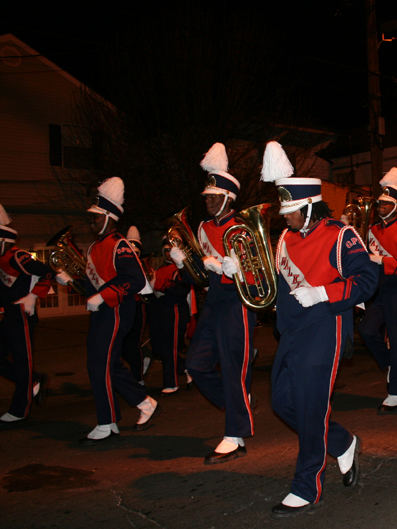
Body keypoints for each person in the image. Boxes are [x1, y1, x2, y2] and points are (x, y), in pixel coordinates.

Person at [261, 141, 378, 517]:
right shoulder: (285, 238)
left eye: (291, 211)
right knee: (282, 402)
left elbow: (367, 280)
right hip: (292, 331)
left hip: (325, 329)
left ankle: (307, 486)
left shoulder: (341, 235)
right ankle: (342, 441)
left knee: (311, 410)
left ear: (310, 206)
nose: (286, 218)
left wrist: (324, 293)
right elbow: (276, 284)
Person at [55, 177, 159, 443]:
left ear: (109, 217)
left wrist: (104, 296)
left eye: (95, 218)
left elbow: (136, 280)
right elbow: (92, 285)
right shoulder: (95, 248)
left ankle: (107, 421)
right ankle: (142, 403)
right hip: (104, 311)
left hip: (117, 310)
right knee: (102, 364)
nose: (91, 223)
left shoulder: (119, 245)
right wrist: (72, 280)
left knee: (101, 363)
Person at [172, 142, 257, 464]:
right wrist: (184, 263)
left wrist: (236, 270)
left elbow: (261, 277)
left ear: (228, 198)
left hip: (238, 303)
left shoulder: (244, 226)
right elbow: (196, 276)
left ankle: (234, 436)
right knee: (195, 363)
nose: (207, 200)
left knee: (234, 369)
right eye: (206, 195)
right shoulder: (203, 227)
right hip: (213, 303)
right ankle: (239, 404)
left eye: (213, 195)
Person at [358, 167, 397, 412]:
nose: (380, 206)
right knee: (366, 329)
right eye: (379, 203)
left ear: (396, 206)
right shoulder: (371, 230)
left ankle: (395, 393)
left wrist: (382, 261)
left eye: (385, 203)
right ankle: (390, 363)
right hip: (378, 290)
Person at [0, 204, 53, 422]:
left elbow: (47, 272)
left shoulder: (16, 256)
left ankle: (20, 408)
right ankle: (33, 381)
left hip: (22, 316)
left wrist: (34, 295)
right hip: (7, 317)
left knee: (23, 363)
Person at [150, 235, 191, 393]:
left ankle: (171, 382)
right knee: (160, 348)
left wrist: (160, 285)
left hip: (174, 309)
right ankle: (188, 368)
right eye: (165, 250)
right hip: (161, 310)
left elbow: (182, 289)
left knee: (170, 347)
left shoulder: (181, 268)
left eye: (171, 250)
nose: (168, 254)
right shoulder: (160, 269)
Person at [120, 226, 149, 385]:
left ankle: (138, 379)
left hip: (138, 307)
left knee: (133, 342)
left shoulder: (143, 267)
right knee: (122, 344)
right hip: (123, 306)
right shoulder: (121, 266)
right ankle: (139, 365)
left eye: (136, 252)